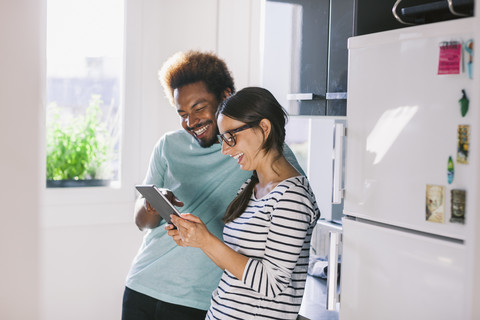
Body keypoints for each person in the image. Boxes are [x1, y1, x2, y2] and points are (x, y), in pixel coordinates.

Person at [122, 51, 304, 320]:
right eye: (182, 113)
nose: (190, 122)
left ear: (226, 95)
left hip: (201, 299)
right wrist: (152, 203)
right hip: (142, 285)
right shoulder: (168, 146)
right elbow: (142, 222)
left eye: (198, 108)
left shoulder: (257, 148)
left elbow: (293, 210)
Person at [169, 87, 320, 320]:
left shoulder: (292, 197)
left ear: (264, 128)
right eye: (223, 138)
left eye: (231, 137)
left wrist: (207, 241)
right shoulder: (252, 188)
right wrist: (197, 239)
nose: (225, 149)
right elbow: (238, 269)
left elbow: (271, 284)